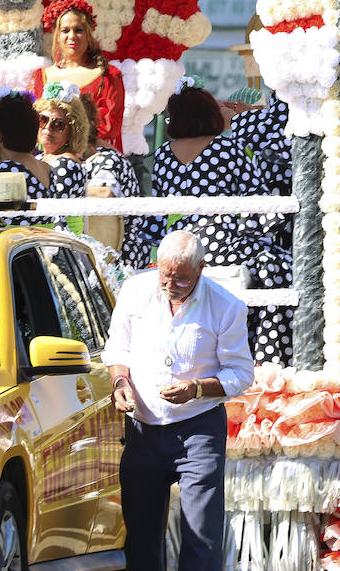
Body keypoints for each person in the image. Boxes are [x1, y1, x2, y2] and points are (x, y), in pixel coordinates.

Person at [103, 230, 254, 571]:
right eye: (165, 275)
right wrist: (120, 381)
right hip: (142, 428)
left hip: (198, 430)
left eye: (181, 279)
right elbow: (117, 347)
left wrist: (197, 389)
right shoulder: (135, 290)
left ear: (202, 268)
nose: (170, 284)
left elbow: (241, 374)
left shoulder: (227, 307)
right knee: (140, 538)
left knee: (202, 537)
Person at [147, 82, 293, 364]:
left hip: (180, 242)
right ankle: (268, 357)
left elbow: (156, 213)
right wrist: (266, 229)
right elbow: (258, 199)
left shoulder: (163, 153)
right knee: (281, 267)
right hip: (222, 242)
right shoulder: (227, 147)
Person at [34, 0, 126, 151]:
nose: (71, 36)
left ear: (88, 34)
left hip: (92, 158)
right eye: (65, 30)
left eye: (78, 30)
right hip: (46, 161)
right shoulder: (40, 76)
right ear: (57, 35)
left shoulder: (108, 76)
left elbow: (110, 129)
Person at [79, 95, 150, 274]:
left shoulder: (107, 159)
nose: (48, 129)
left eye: (58, 124)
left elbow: (104, 193)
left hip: (119, 261)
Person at [33, 82, 88, 198]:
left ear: (72, 131)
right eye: (43, 120)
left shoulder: (66, 164)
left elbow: (55, 212)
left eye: (58, 124)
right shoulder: (40, 158)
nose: (47, 127)